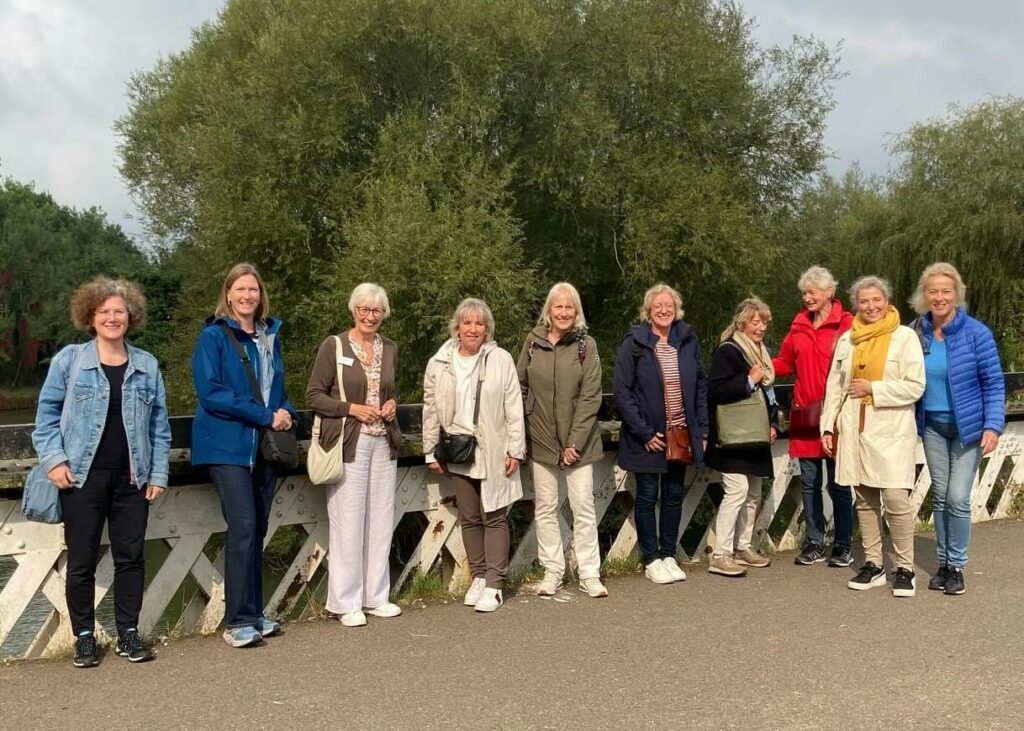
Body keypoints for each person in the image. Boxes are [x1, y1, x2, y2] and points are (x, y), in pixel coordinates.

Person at [31, 277, 170, 668]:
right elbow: (45, 420)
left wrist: (158, 473)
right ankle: (85, 637)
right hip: (81, 479)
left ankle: (128, 633)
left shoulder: (146, 364)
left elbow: (159, 426)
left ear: (131, 316)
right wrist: (55, 462)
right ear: (90, 317)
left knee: (131, 557)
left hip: (132, 479)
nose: (112, 318)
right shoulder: (70, 361)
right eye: (104, 312)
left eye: (119, 312)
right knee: (81, 560)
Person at [191, 263, 297, 646]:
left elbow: (276, 388)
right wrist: (266, 414)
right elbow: (212, 393)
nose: (247, 296)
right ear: (228, 293)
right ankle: (236, 621)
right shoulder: (213, 337)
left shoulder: (269, 336)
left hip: (263, 449)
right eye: (240, 289)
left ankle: (254, 613)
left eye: (253, 289)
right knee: (243, 528)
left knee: (258, 530)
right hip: (227, 447)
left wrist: (286, 412)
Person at [821, 276, 924, 598]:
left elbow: (915, 385)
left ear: (887, 300)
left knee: (895, 498)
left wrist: (874, 389)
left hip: (891, 429)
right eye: (864, 302)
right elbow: (835, 386)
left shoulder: (904, 337)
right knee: (864, 500)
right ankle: (874, 563)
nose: (871, 307)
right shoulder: (847, 340)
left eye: (876, 300)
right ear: (856, 304)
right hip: (855, 428)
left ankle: (905, 567)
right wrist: (827, 425)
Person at [306, 283, 403, 626]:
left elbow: (389, 392)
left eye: (376, 310)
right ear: (353, 310)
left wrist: (392, 405)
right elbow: (314, 396)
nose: (370, 316)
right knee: (348, 521)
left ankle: (375, 597)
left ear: (384, 314)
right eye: (364, 309)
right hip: (350, 442)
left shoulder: (389, 348)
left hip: (383, 442)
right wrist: (352, 409)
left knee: (380, 520)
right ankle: (345, 602)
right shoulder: (333, 346)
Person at [422, 298, 526, 613]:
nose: (473, 329)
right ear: (457, 327)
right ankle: (479, 576)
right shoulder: (439, 362)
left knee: (494, 516)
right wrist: (429, 448)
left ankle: (495, 583)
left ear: (487, 329)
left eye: (479, 323)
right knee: (469, 517)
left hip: (493, 447)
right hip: (457, 448)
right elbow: (430, 408)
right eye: (467, 323)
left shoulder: (500, 359)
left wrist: (516, 448)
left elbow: (514, 406)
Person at [911, 263, 1004, 596]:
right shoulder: (916, 332)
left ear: (957, 294)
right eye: (933, 291)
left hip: (968, 428)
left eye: (945, 291)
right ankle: (943, 565)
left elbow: (993, 382)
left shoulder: (976, 333)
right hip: (933, 426)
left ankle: (958, 566)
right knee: (940, 496)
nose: (939, 297)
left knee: (957, 498)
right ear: (924, 295)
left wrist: (993, 424)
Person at [613, 284, 708, 585]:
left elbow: (700, 388)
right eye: (658, 306)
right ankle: (651, 558)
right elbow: (622, 391)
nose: (664, 310)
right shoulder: (636, 342)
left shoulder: (688, 341)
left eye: (669, 305)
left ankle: (669, 554)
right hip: (648, 435)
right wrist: (643, 431)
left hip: (679, 432)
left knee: (673, 495)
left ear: (676, 309)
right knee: (647, 496)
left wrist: (702, 429)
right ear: (648, 311)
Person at [517, 282, 607, 599]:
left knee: (583, 508)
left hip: (579, 444)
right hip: (541, 440)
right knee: (545, 508)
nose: (564, 312)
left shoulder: (587, 346)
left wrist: (575, 442)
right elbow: (520, 387)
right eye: (559, 307)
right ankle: (553, 570)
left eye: (570, 307)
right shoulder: (532, 342)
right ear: (549, 310)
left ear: (577, 311)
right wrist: (525, 430)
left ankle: (589, 573)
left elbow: (591, 396)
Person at [773, 266, 855, 567]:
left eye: (812, 292)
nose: (807, 297)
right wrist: (756, 365)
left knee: (839, 483)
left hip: (836, 415)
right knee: (808, 482)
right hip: (806, 413)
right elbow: (784, 362)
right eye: (804, 293)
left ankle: (843, 544)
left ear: (829, 292)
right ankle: (815, 542)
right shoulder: (798, 326)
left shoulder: (848, 325)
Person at [705, 298, 778, 577]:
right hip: (733, 437)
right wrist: (748, 380)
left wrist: (772, 423)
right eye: (755, 322)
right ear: (742, 323)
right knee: (736, 491)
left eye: (764, 322)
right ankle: (721, 554)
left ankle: (743, 547)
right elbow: (716, 391)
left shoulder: (760, 351)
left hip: (755, 435)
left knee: (754, 493)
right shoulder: (729, 351)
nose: (760, 327)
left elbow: (768, 395)